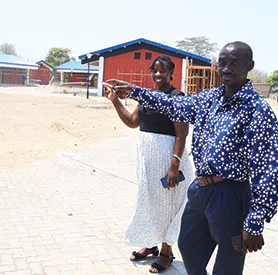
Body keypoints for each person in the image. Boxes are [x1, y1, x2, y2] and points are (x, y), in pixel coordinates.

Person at [106, 41, 278, 275]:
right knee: (188, 245)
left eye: (233, 64)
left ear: (249, 66)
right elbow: (172, 103)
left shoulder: (258, 110)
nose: (226, 69)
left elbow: (267, 169)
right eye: (222, 63)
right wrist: (134, 91)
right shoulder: (210, 99)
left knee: (228, 262)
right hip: (199, 190)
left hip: (231, 194)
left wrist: (256, 221)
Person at [103, 55, 194, 273]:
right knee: (150, 202)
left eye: (163, 71)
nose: (158, 74)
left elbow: (182, 133)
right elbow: (133, 123)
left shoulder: (176, 97)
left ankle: (166, 251)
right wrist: (115, 101)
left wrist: (175, 166)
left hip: (169, 162)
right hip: (147, 161)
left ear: (172, 73)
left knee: (169, 206)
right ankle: (151, 244)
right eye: (154, 70)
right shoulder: (147, 96)